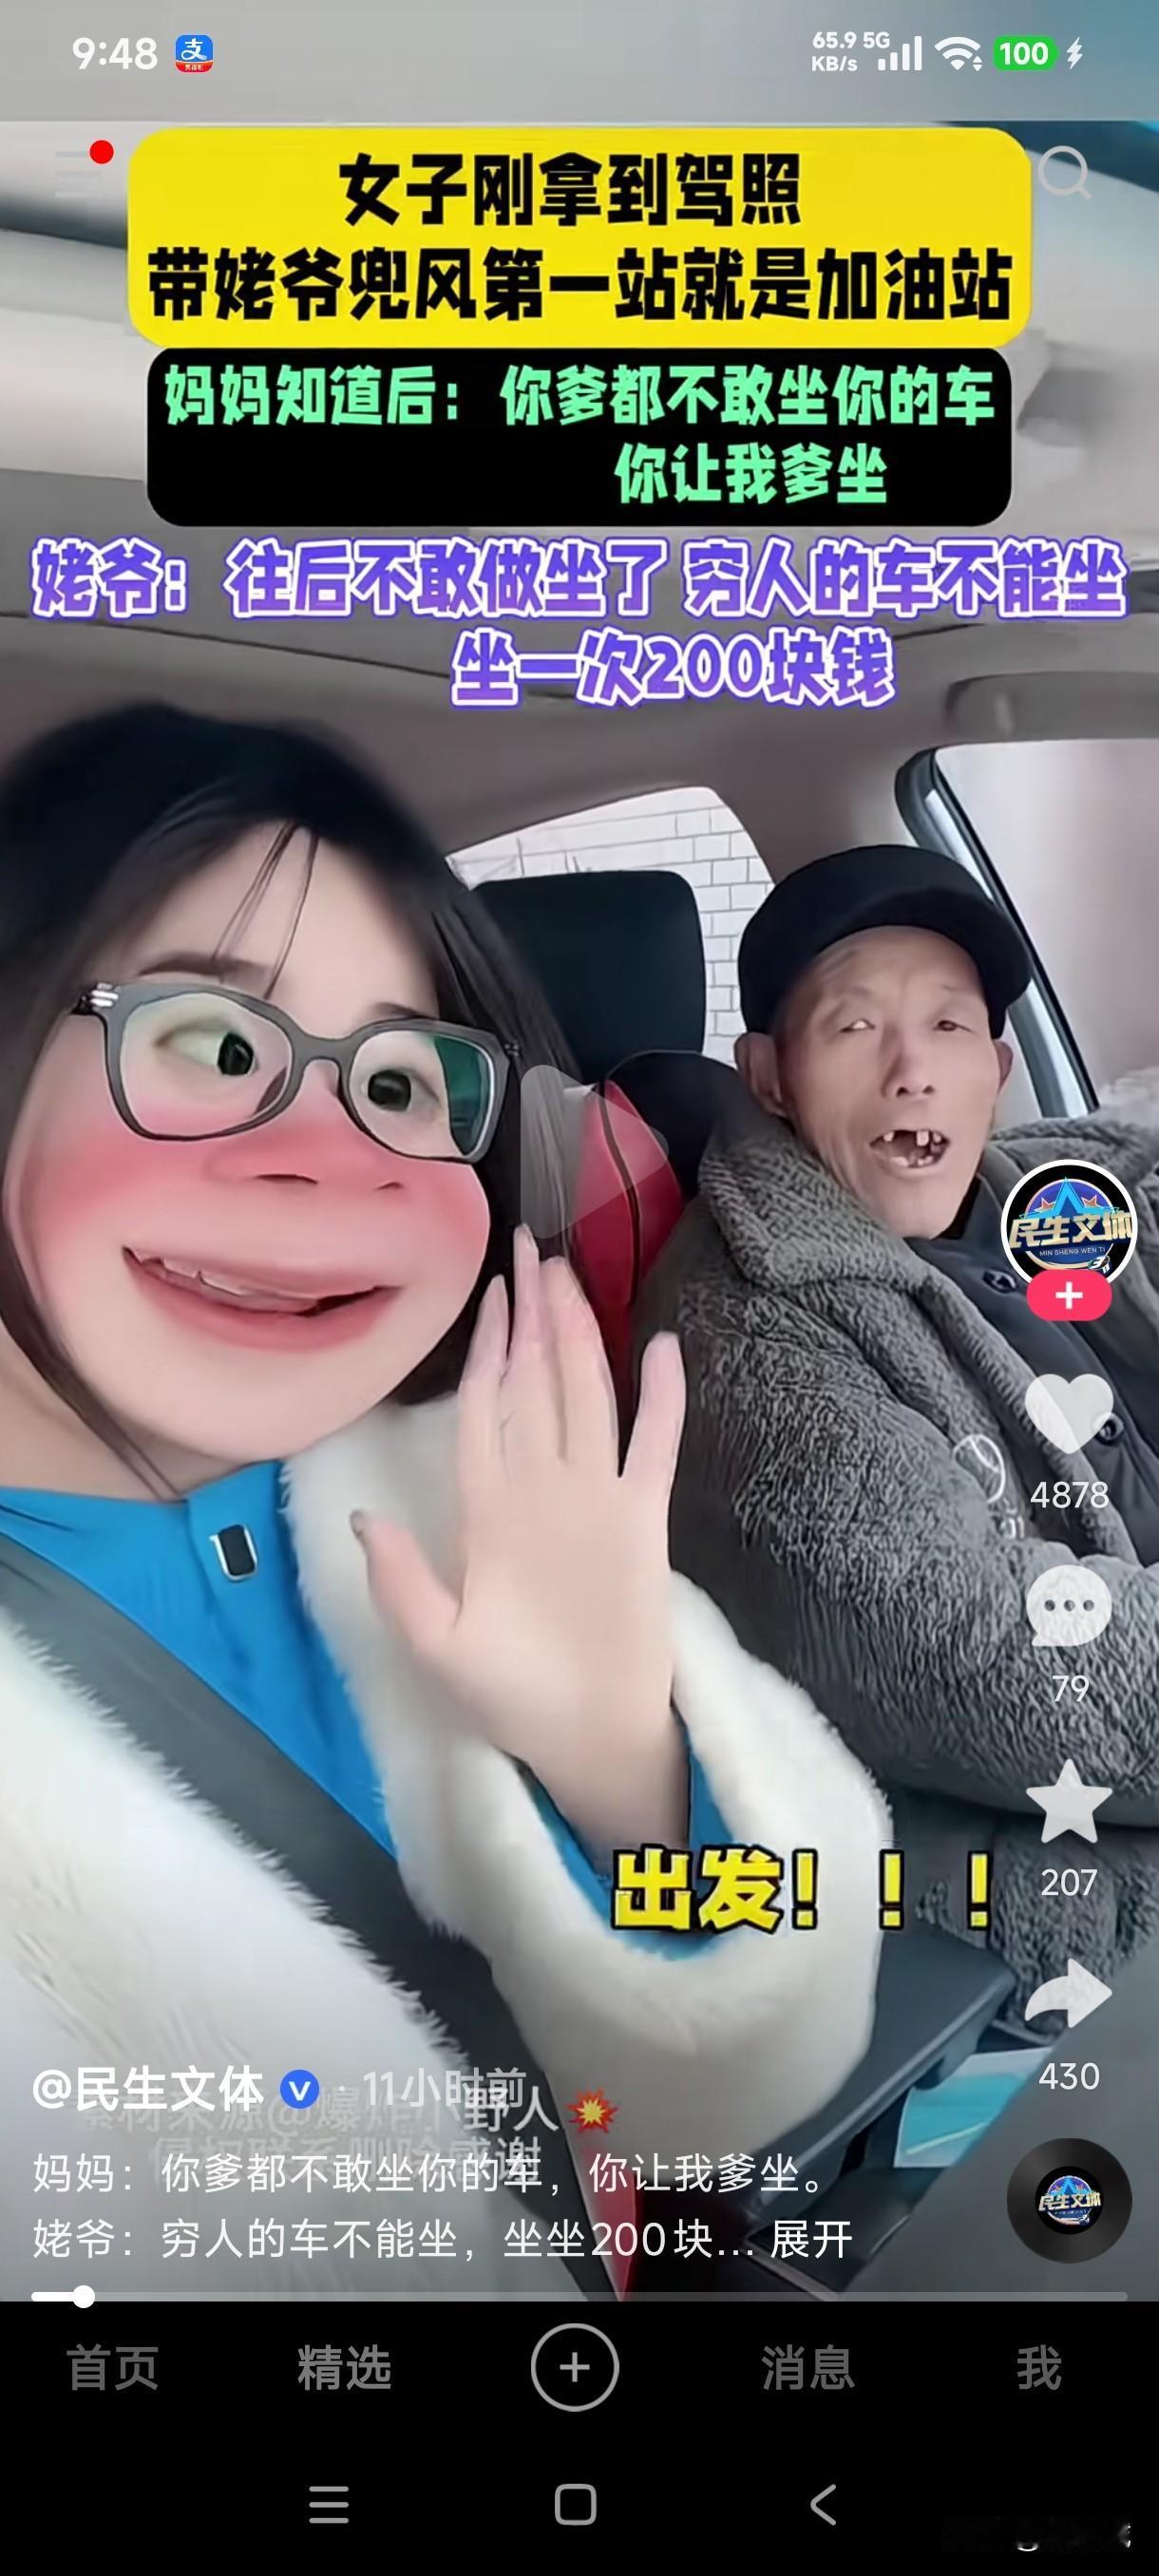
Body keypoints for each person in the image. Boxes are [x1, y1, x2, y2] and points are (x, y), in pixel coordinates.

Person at [0, 707, 887, 2299]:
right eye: (214, 1045)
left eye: (404, 1081)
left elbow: (729, 2082)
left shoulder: (481, 1485)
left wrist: (623, 1764)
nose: (329, 1157)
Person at [639, 843, 1159, 2016]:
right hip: (1030, 1877)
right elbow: (972, 1652)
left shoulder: (1022, 1193)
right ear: (769, 1078)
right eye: (853, 1027)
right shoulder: (744, 1333)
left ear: (998, 1067)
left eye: (947, 1025)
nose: (911, 1070)